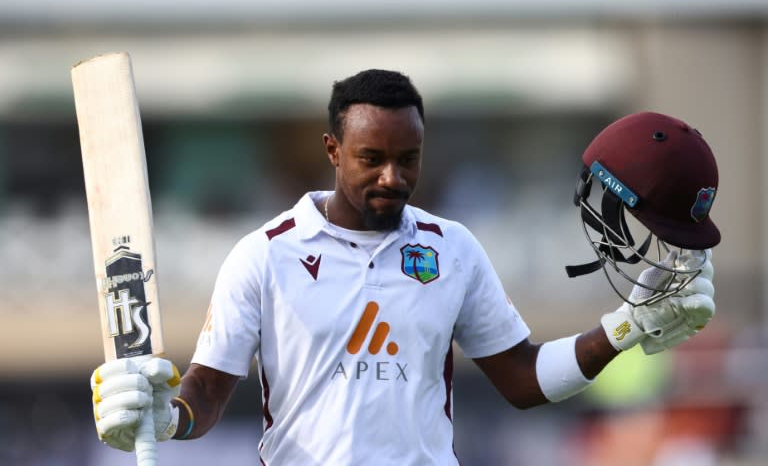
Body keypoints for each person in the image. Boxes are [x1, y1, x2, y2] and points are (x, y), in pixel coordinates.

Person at [90, 69, 719, 465]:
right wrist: (163, 419)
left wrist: (626, 327)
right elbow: (206, 392)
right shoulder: (265, 253)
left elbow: (523, 380)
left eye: (409, 159)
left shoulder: (454, 249)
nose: (394, 178)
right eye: (372, 159)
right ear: (333, 151)